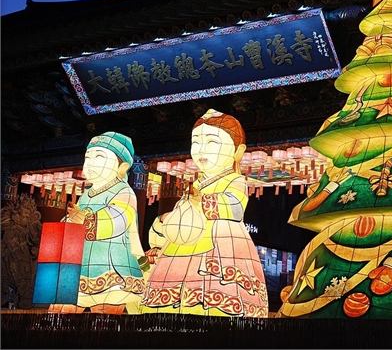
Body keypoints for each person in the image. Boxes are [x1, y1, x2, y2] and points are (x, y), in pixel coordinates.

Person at [141, 109, 268, 317]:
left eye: (212, 143)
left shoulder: (235, 180)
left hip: (221, 245)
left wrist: (202, 202)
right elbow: (180, 220)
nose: (202, 150)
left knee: (215, 296)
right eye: (196, 143)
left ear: (238, 151)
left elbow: (235, 206)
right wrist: (164, 223)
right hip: (182, 247)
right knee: (172, 297)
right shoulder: (194, 186)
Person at [49, 132, 147, 314]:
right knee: (59, 314)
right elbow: (75, 220)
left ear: (122, 166)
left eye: (100, 157)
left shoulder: (124, 191)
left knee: (104, 317)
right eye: (87, 158)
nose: (90, 163)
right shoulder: (86, 195)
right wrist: (69, 222)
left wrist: (86, 221)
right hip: (79, 266)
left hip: (111, 267)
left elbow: (119, 218)